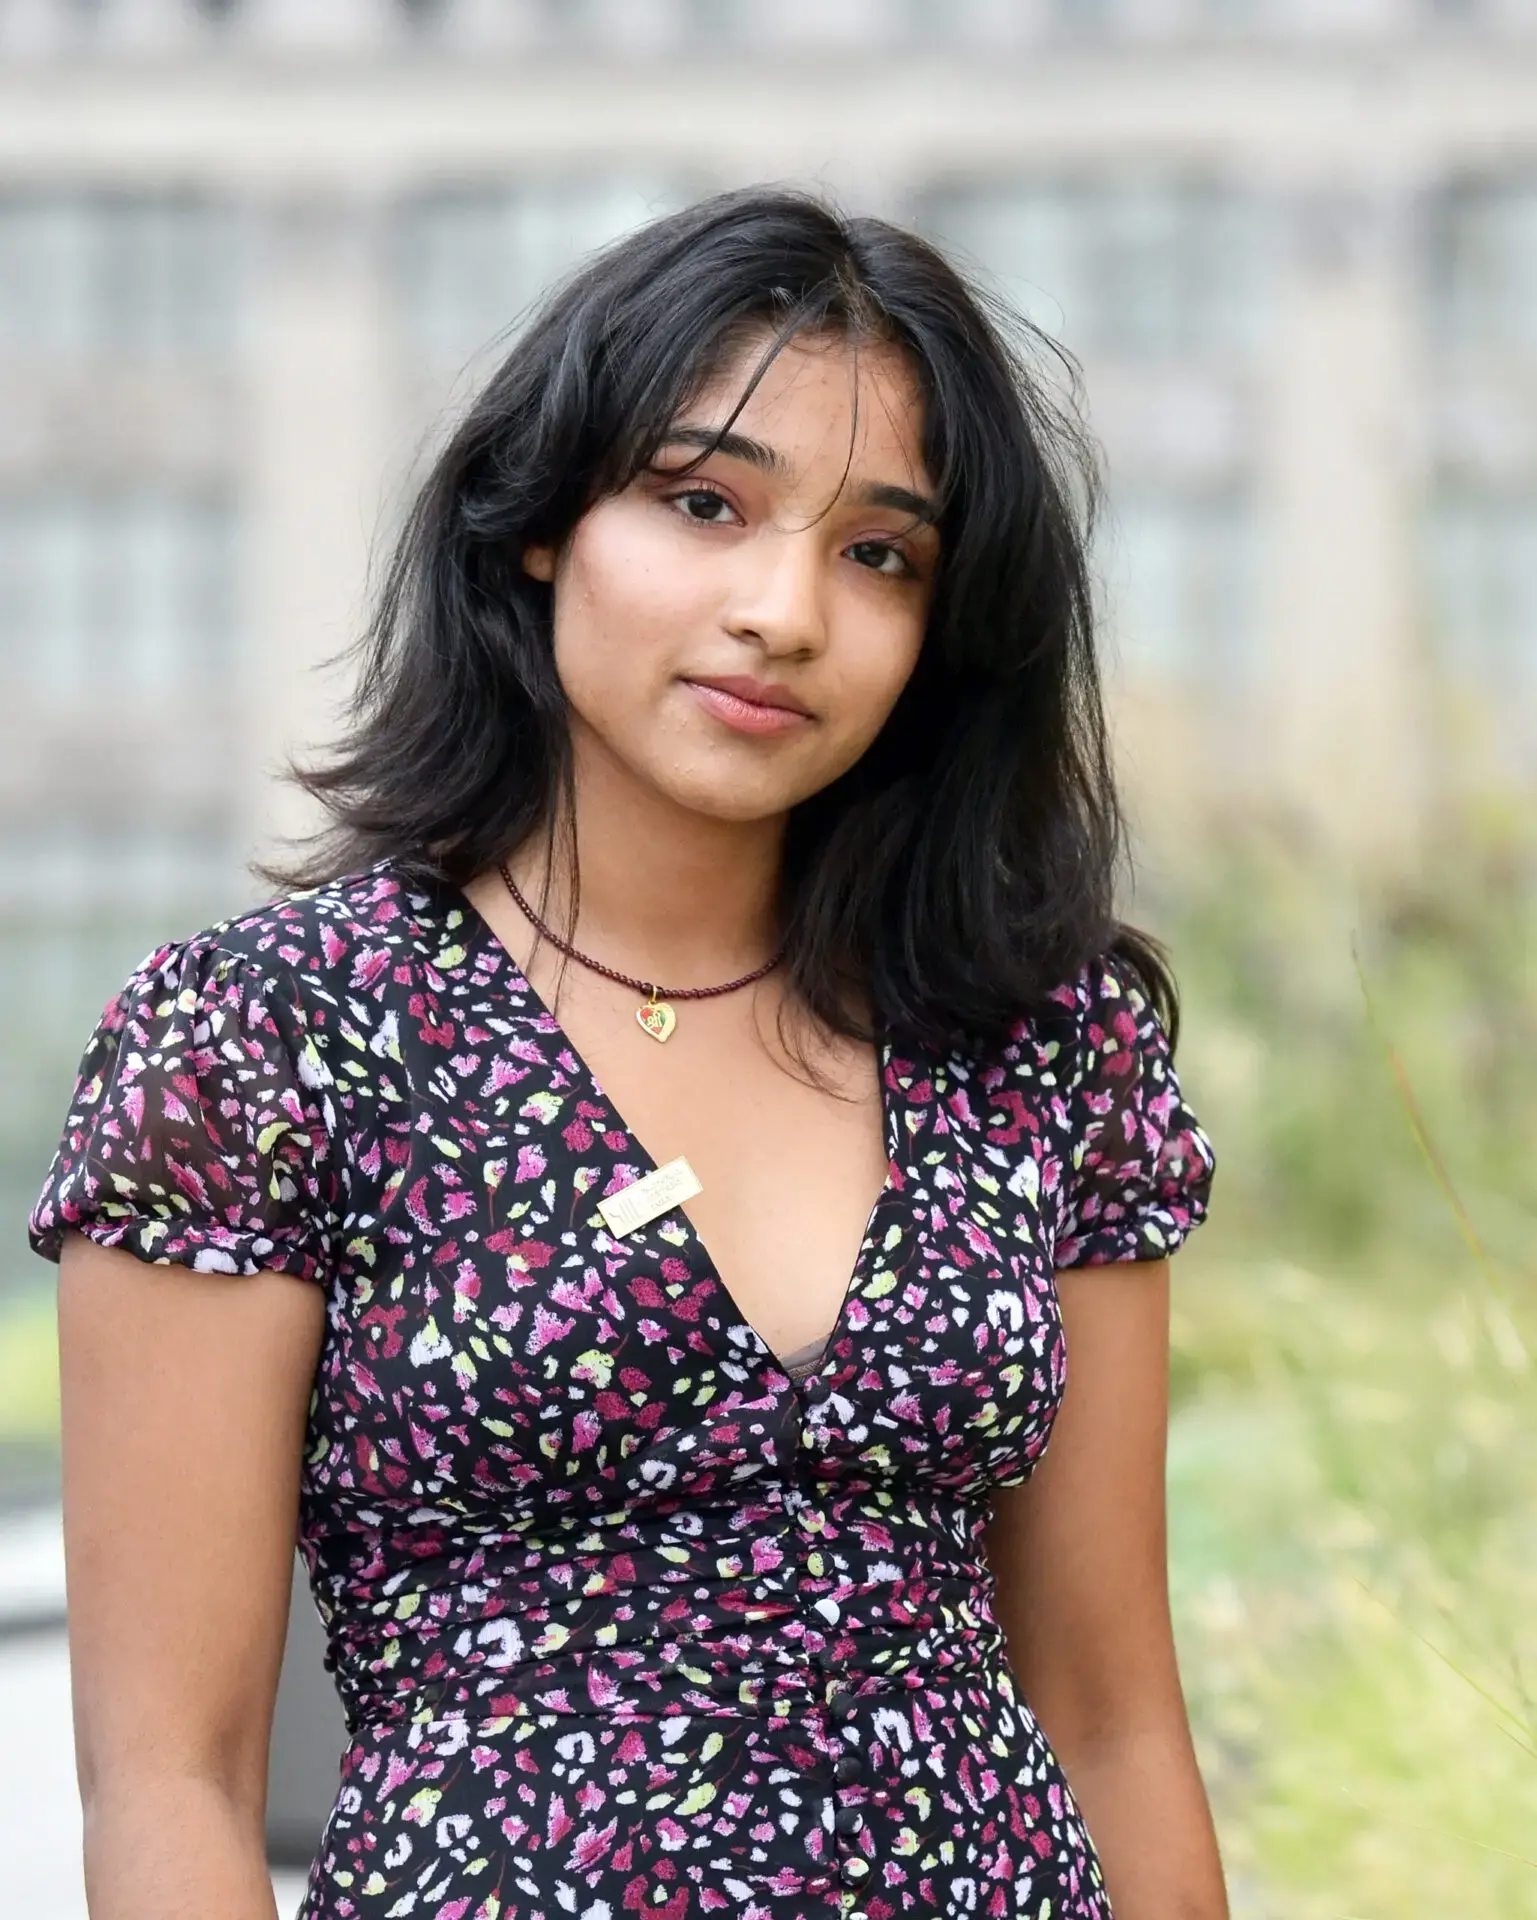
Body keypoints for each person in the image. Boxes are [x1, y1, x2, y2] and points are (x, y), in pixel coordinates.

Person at [29, 186, 1224, 1920]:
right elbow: (170, 1786)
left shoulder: (1044, 1043)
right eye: (703, 504)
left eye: (878, 552)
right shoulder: (267, 1040)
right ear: (539, 525)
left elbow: (1116, 1721)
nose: (783, 610)